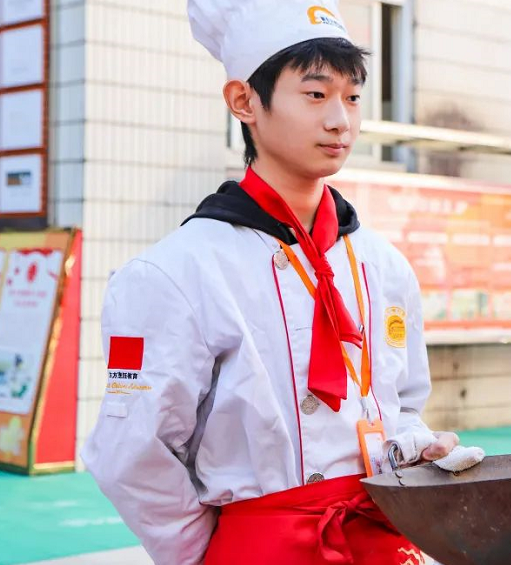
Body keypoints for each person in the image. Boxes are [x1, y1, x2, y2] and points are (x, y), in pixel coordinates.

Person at [80, 1, 459, 563]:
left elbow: (402, 403)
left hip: (382, 537)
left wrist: (418, 448)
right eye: (315, 94)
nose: (341, 121)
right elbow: (131, 450)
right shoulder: (175, 273)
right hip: (261, 546)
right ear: (244, 101)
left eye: (352, 97)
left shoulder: (383, 265)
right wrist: (207, 552)